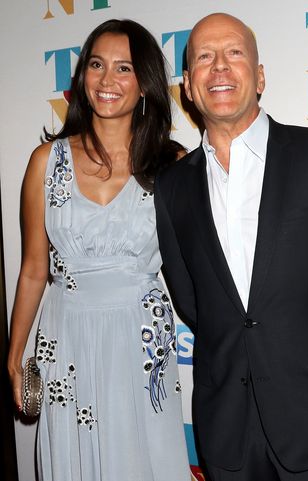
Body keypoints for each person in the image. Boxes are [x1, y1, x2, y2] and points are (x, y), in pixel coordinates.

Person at [154, 12, 308, 481]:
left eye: (234, 53)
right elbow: (190, 298)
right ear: (188, 85)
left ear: (260, 76)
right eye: (204, 57)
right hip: (226, 425)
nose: (219, 67)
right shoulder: (172, 186)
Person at [8, 19, 191, 481]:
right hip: (65, 334)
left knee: (143, 457)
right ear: (82, 77)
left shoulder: (173, 165)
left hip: (141, 336)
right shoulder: (46, 162)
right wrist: (14, 355)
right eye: (96, 65)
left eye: (124, 68)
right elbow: (33, 269)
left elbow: (200, 267)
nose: (107, 80)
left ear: (145, 83)